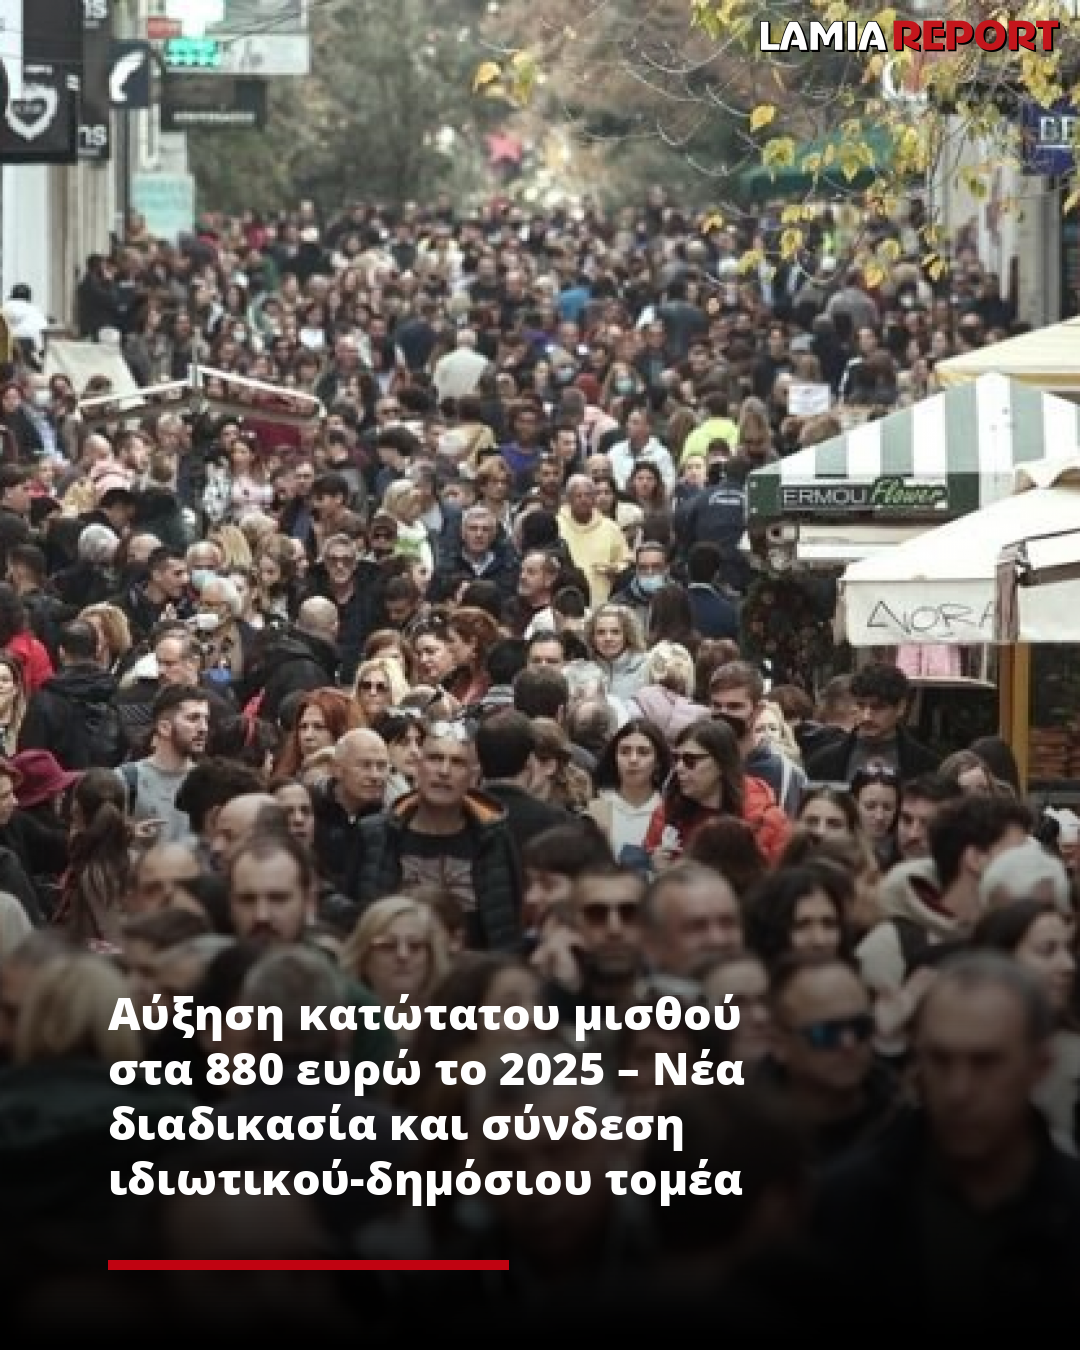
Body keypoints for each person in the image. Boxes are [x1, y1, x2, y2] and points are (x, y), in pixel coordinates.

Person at [355, 722, 522, 951]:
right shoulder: (376, 835)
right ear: (418, 766)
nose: (444, 771)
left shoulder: (494, 839)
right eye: (435, 758)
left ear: (473, 775)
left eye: (457, 762)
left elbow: (507, 927)